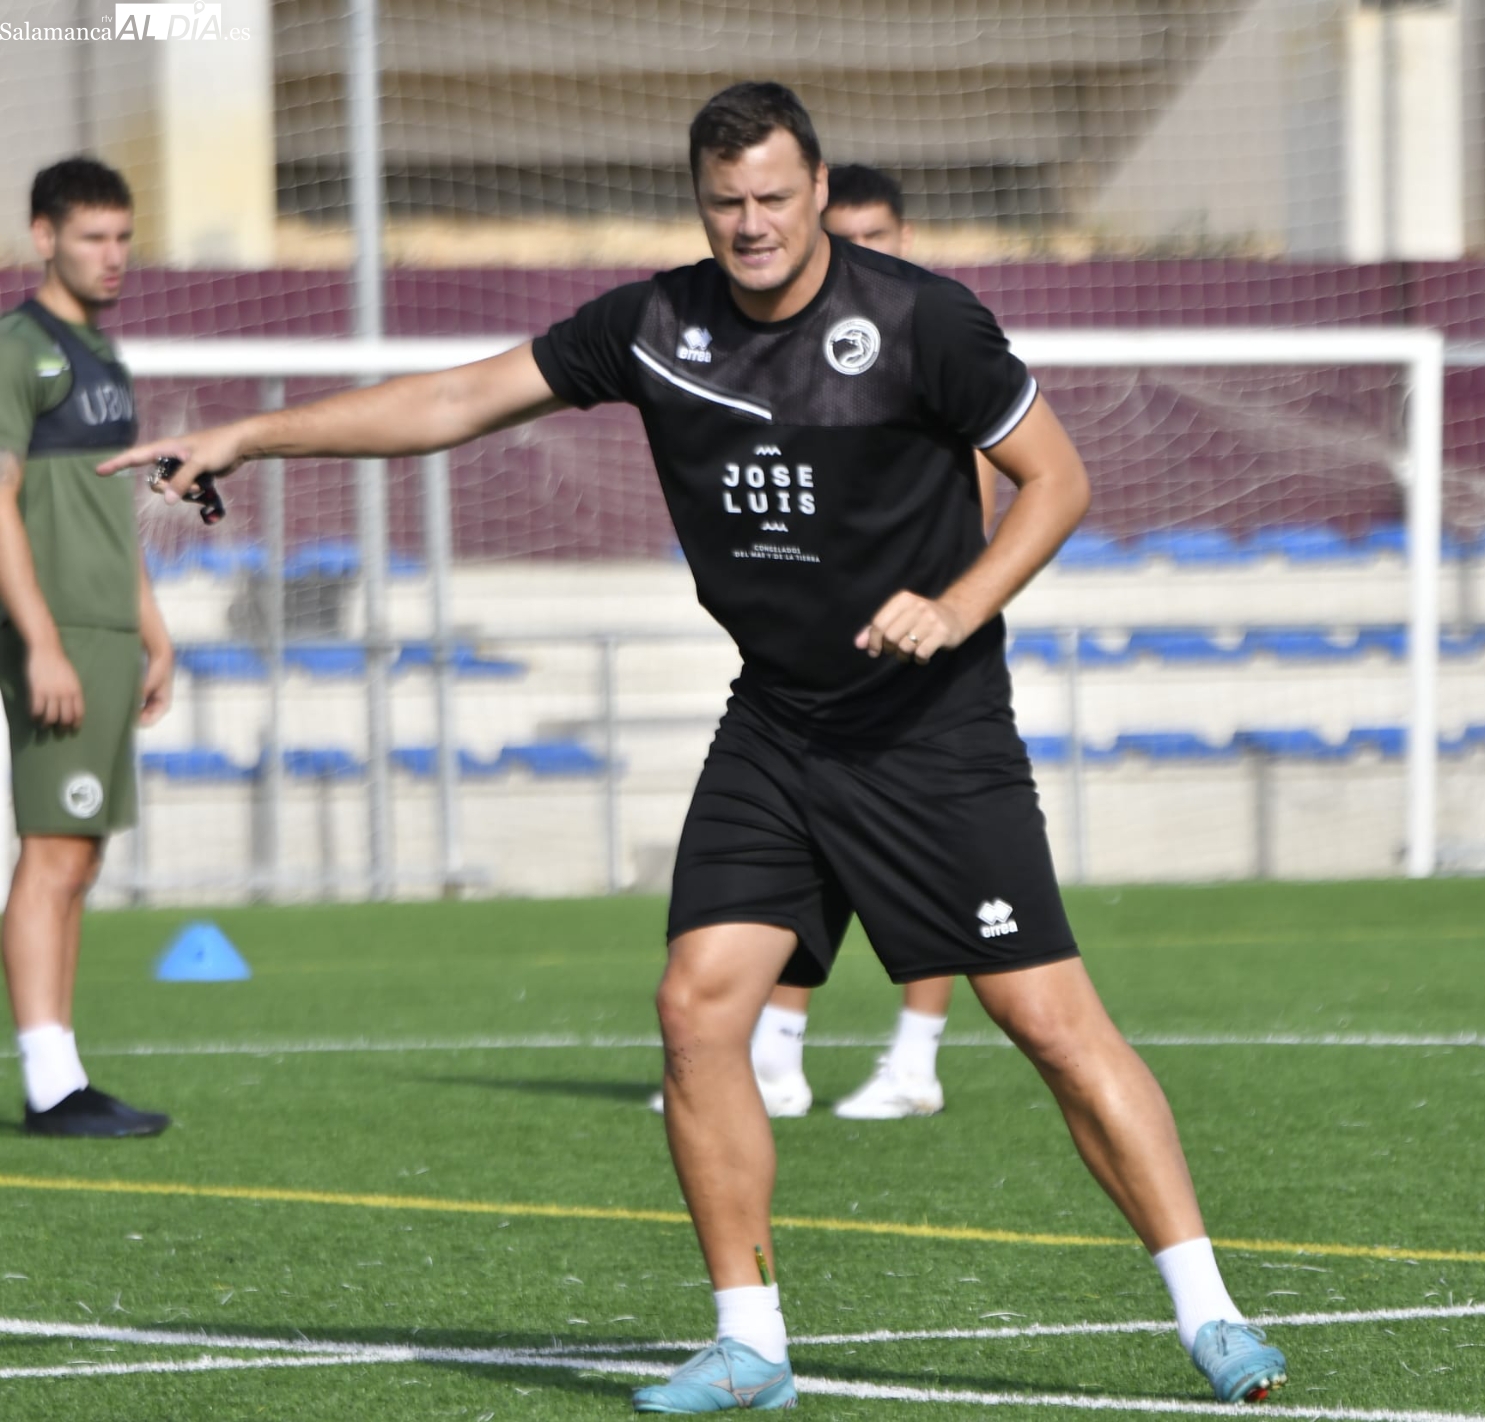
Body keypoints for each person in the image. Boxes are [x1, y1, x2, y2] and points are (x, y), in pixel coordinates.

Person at [103, 82, 1287, 1410]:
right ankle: (749, 1342)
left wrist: (957, 606)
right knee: (695, 1005)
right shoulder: (653, 325)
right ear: (699, 203)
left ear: (819, 190)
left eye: (774, 197)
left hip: (928, 731)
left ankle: (1210, 1312)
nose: (752, 223)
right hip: (777, 722)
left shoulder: (922, 321)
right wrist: (250, 435)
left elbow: (1058, 480)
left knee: (1047, 1021)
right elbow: (456, 399)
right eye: (726, 202)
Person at [742, 162, 998, 1122]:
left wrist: (947, 609)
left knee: (928, 860)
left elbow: (985, 493)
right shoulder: (796, 351)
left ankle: (915, 1060)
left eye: (876, 238)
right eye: (845, 239)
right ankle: (774, 1058)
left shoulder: (932, 334)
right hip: (823, 654)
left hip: (923, 660)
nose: (860, 256)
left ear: (905, 236)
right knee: (808, 848)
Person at [0, 158, 173, 1138]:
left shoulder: (105, 360)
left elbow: (113, 513)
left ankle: (64, 1072)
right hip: (56, 633)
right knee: (51, 853)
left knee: (80, 861)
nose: (113, 256)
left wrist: (153, 631)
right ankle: (47, 1086)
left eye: (122, 237)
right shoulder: (18, 350)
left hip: (107, 632)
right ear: (44, 238)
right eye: (92, 237)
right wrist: (40, 643)